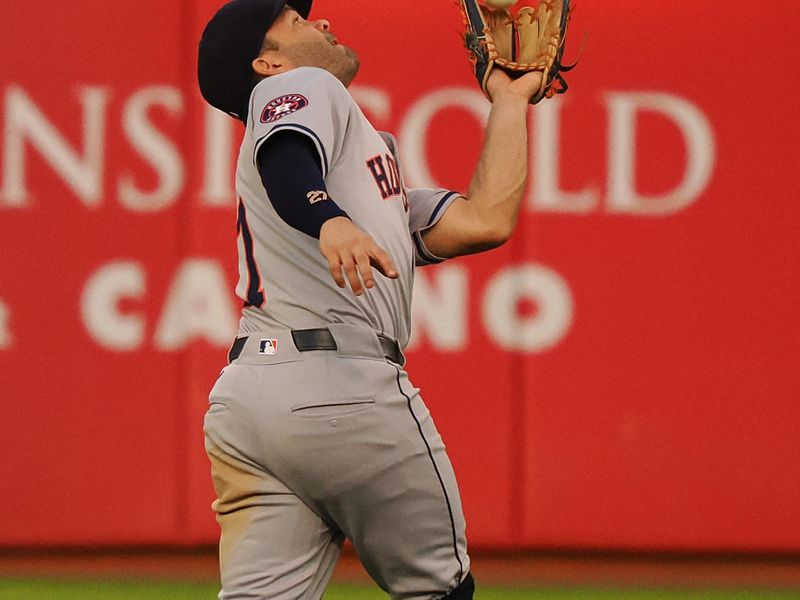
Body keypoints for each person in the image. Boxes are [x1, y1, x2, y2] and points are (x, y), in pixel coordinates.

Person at [198, 1, 543, 598]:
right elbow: (286, 158)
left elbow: (484, 220)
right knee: (440, 589)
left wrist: (510, 102)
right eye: (298, 21)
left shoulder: (360, 175)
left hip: (249, 406)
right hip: (340, 391)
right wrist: (326, 219)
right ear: (268, 61)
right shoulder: (302, 87)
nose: (322, 22)